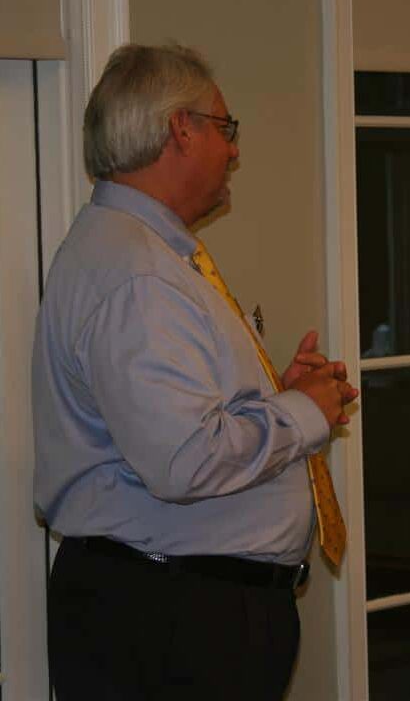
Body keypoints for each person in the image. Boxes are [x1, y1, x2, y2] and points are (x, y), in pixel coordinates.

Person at [32, 43, 358, 701]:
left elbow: (183, 420)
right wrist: (303, 414)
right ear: (180, 128)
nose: (234, 150)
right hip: (174, 621)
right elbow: (184, 461)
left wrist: (281, 398)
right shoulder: (138, 274)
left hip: (172, 608)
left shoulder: (139, 254)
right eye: (225, 128)